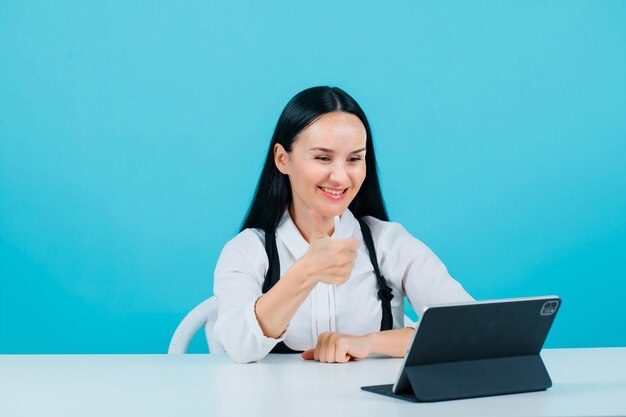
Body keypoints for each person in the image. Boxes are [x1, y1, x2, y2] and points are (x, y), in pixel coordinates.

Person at [212, 86, 474, 364]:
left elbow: (471, 328)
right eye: (323, 157)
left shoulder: (388, 243)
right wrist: (306, 272)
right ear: (282, 158)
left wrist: (368, 342)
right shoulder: (248, 251)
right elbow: (240, 345)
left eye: (354, 159)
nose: (340, 176)